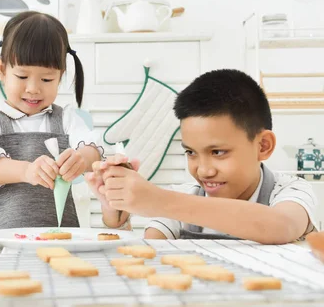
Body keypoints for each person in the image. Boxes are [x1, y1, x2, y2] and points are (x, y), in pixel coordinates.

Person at [89, 69, 317, 244]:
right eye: (191, 153)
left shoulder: (290, 191)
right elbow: (146, 256)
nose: (204, 170)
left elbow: (281, 227)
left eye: (218, 152)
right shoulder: (182, 198)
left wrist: (160, 201)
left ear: (263, 146)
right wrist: (115, 214)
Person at [0, 11, 104, 233]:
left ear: (61, 76)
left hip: (62, 241)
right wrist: (27, 171)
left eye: (47, 79)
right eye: (22, 77)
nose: (33, 88)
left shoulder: (66, 119)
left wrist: (82, 159)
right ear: (2, 70)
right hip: (1, 241)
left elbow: (93, 147)